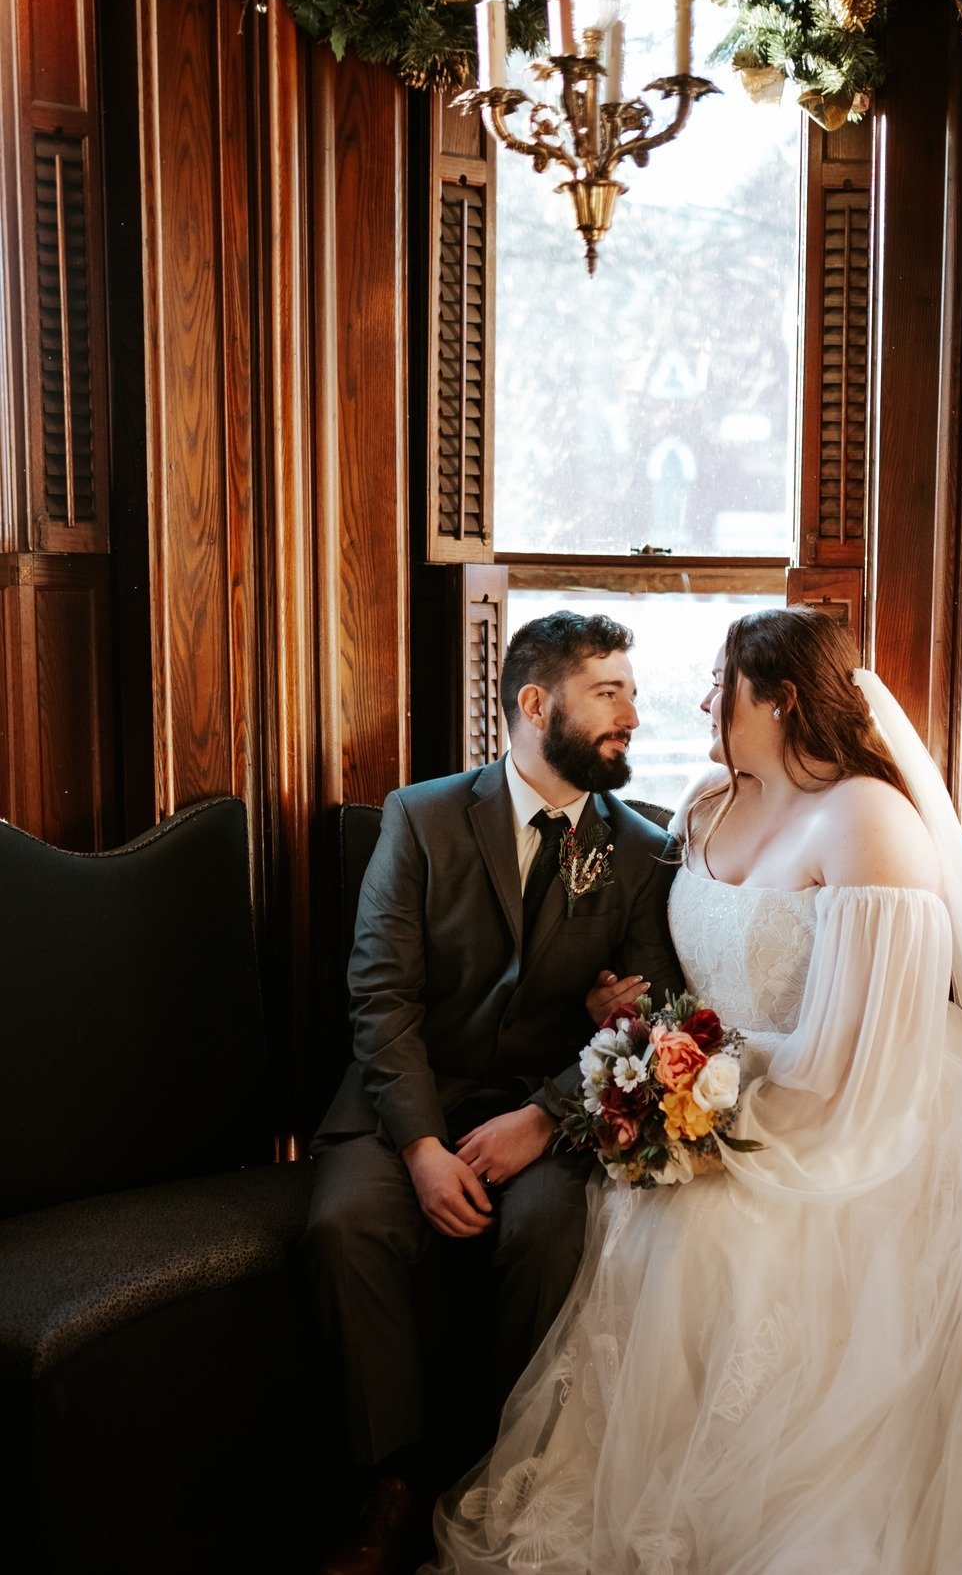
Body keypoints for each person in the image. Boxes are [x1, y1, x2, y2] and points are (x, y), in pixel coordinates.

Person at [426, 606, 962, 1575]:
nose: (706, 701)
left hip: (856, 1111)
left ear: (782, 698)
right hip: (724, 1086)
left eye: (723, 682)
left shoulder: (868, 825)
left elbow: (855, 1062)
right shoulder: (711, 797)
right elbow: (688, 974)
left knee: (704, 1231)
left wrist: (701, 1125)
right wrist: (629, 1018)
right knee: (636, 1203)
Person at [308, 611, 686, 1575]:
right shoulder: (422, 815)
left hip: (547, 1112)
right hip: (409, 1095)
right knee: (347, 1228)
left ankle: (502, 1475)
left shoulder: (642, 852)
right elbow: (378, 992)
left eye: (632, 695)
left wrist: (544, 1115)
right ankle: (390, 1482)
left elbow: (648, 1015)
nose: (632, 716)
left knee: (551, 1233)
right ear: (534, 703)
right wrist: (423, 1147)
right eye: (610, 693)